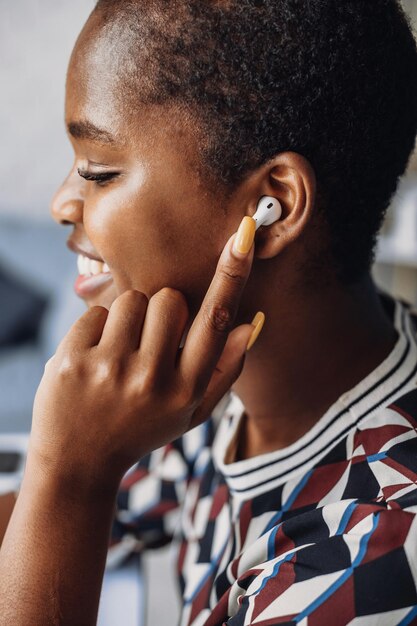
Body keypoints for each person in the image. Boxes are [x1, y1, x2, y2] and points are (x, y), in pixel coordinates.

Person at [1, 1, 417, 624]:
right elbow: (65, 518)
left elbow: (68, 504)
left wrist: (72, 476)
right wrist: (69, 473)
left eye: (99, 171)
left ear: (271, 204)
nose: (64, 203)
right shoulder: (214, 372)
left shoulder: (373, 552)